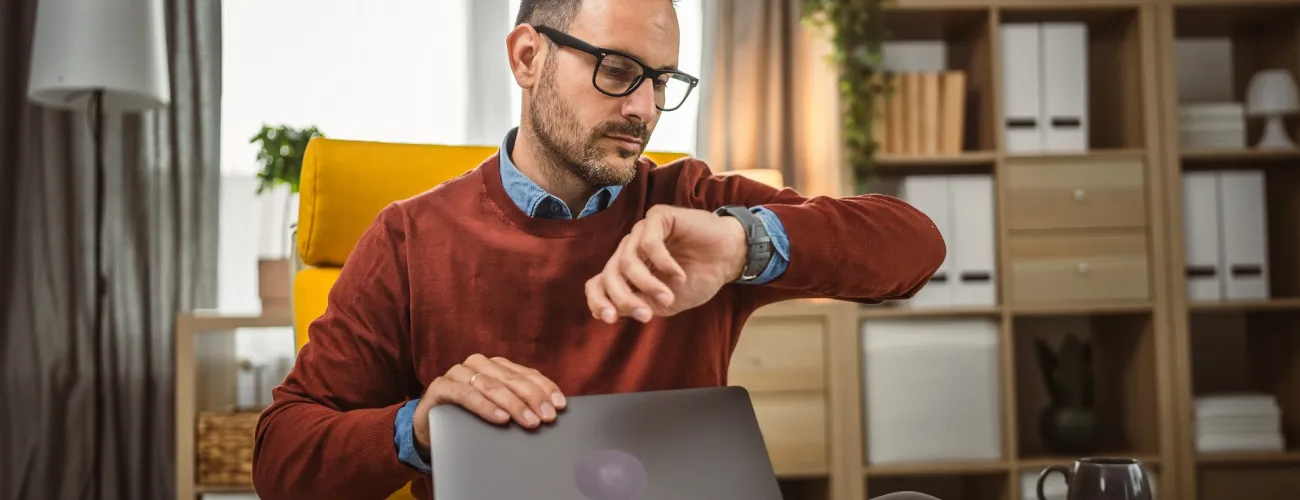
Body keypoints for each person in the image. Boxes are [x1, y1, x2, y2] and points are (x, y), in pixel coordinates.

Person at [250, 0, 945, 498]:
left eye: (663, 79)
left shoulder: (696, 206)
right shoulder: (408, 239)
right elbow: (281, 457)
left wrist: (743, 243)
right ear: (528, 57)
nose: (645, 108)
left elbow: (916, 247)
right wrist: (418, 428)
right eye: (617, 69)